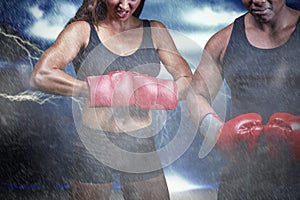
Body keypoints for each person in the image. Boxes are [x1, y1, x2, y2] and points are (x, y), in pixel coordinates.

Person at [30, 0, 192, 199]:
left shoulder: (154, 31)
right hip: (95, 144)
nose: (124, 4)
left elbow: (187, 81)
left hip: (140, 144)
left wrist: (152, 91)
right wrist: (98, 89)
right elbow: (40, 76)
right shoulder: (82, 30)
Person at [187, 0, 300, 199]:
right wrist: (217, 132)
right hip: (240, 179)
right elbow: (196, 95)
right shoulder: (223, 41)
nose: (257, 1)